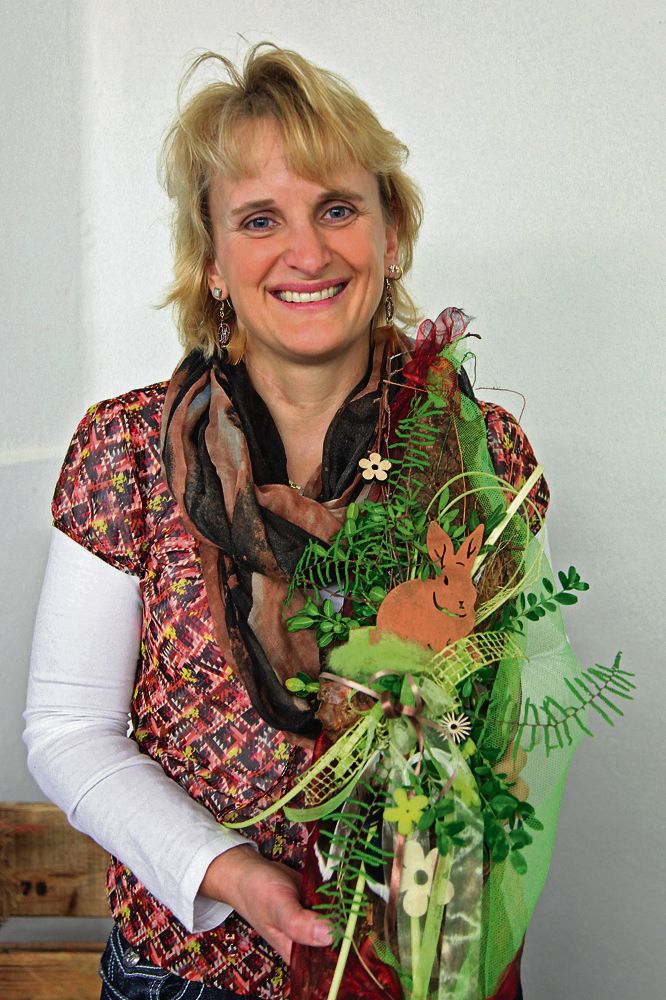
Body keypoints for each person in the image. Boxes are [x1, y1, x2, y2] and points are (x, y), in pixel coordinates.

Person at [25, 44, 547, 999]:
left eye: (337, 209)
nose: (307, 253)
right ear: (213, 263)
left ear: (392, 236)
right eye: (260, 219)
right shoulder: (125, 450)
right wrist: (230, 874)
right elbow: (67, 730)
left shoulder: (485, 456)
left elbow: (503, 728)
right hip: (188, 978)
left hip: (419, 968)